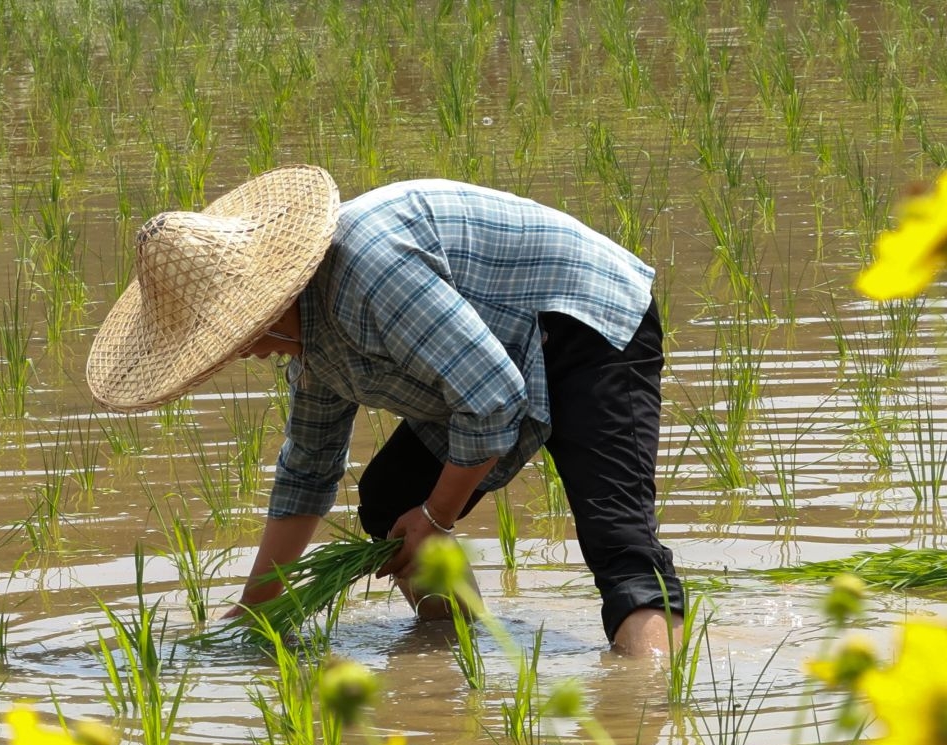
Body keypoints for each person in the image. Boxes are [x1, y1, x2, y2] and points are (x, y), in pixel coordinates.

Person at [86, 165, 685, 655]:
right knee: (391, 503)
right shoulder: (313, 346)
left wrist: (438, 517)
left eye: (232, 336)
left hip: (586, 320)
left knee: (616, 537)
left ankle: (653, 709)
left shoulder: (367, 271)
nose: (242, 352)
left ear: (265, 305)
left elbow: (492, 397)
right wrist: (255, 608)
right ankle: (461, 649)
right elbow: (308, 472)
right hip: (502, 345)